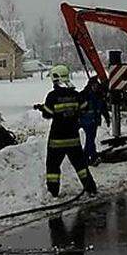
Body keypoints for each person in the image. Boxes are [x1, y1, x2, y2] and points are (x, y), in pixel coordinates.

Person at [35, 65, 98, 197]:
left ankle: (53, 192)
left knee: (53, 167)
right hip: (73, 138)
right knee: (80, 165)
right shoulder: (75, 95)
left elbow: (47, 114)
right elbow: (84, 108)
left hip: (57, 140)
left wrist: (43, 108)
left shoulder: (52, 96)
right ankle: (90, 188)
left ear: (55, 79)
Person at [79, 77, 110, 166]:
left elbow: (103, 108)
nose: (95, 87)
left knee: (91, 139)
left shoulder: (99, 95)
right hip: (86, 121)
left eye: (96, 85)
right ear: (90, 85)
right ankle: (89, 157)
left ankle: (91, 156)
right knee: (90, 139)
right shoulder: (84, 95)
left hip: (94, 121)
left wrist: (107, 118)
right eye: (94, 85)